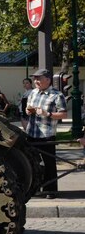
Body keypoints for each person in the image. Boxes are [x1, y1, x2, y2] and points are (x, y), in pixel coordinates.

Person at [24, 68, 67, 196]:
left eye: (39, 78)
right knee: (32, 163)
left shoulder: (57, 95)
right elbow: (28, 109)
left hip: (47, 135)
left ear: (48, 80)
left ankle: (51, 190)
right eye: (35, 78)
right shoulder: (33, 93)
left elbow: (64, 114)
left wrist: (47, 114)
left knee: (49, 164)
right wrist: (28, 111)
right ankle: (35, 188)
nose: (36, 81)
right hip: (32, 133)